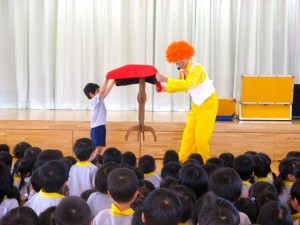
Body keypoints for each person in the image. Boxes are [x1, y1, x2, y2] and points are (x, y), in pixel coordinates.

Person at [156, 40, 218, 163]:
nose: (179, 62)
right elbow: (182, 86)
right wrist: (165, 88)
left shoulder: (197, 69)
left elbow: (189, 84)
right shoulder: (182, 70)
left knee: (201, 138)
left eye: (181, 58)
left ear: (188, 55)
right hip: (197, 105)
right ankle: (181, 161)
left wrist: (166, 80)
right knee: (188, 135)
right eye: (176, 60)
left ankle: (207, 164)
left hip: (209, 103)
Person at [83, 79, 115, 155]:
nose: (99, 92)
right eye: (97, 91)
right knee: (97, 149)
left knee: (99, 148)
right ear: (91, 94)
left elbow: (106, 92)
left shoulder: (99, 99)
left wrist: (113, 82)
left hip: (100, 126)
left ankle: (96, 162)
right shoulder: (93, 101)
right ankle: (95, 163)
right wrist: (107, 80)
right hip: (97, 127)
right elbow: (103, 92)